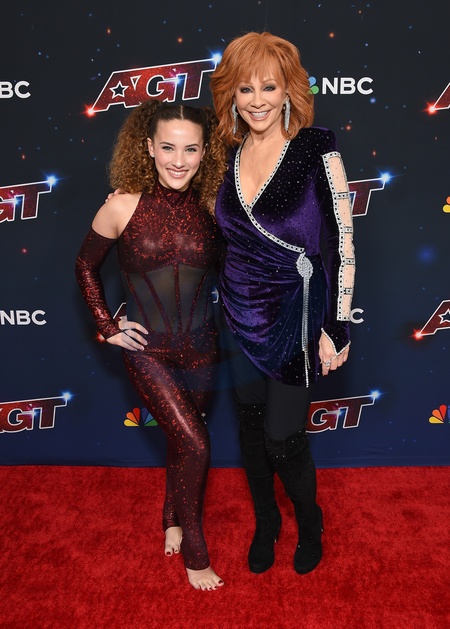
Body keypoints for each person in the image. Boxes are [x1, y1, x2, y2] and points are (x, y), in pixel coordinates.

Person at [210, 32, 355, 575]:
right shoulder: (226, 154)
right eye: (245, 88)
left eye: (269, 87)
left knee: (282, 436)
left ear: (289, 89)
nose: (257, 100)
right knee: (250, 428)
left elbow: (341, 243)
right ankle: (267, 522)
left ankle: (310, 523)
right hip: (237, 313)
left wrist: (337, 325)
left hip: (294, 317)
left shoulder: (317, 147)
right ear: (231, 94)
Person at [75, 101, 227, 591]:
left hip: (204, 349)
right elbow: (85, 266)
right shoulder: (121, 205)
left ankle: (171, 518)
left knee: (183, 440)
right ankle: (196, 554)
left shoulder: (218, 206)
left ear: (205, 152)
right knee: (196, 443)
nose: (178, 161)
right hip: (148, 352)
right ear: (148, 147)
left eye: (190, 149)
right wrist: (107, 325)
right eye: (167, 147)